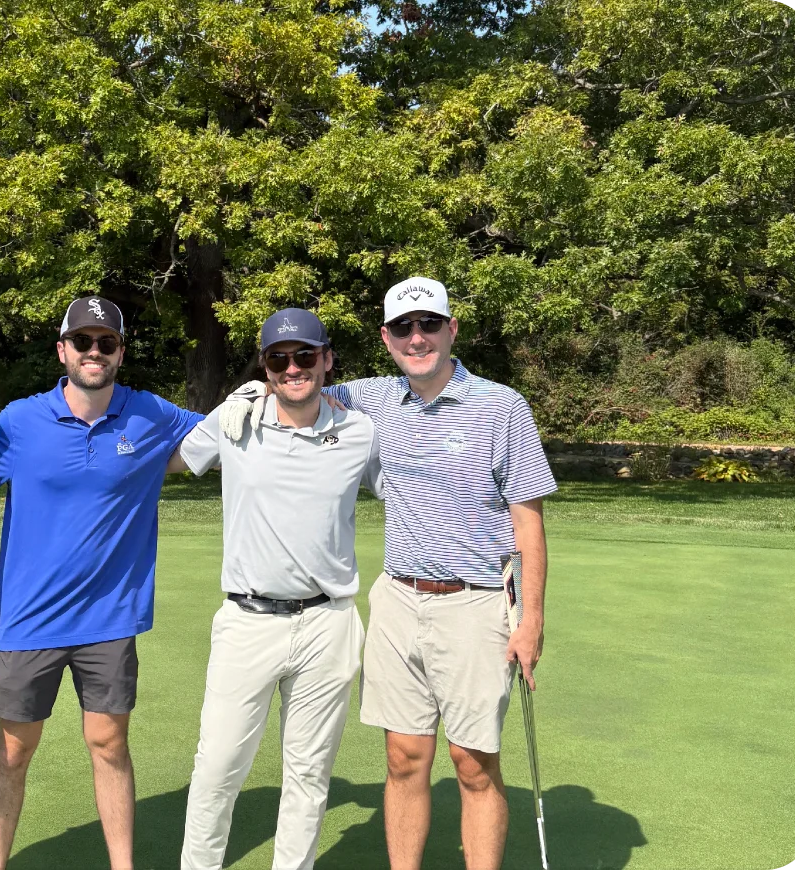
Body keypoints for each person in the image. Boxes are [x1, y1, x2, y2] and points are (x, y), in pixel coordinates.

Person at [222, 277, 556, 870]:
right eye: (403, 327)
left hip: (476, 602)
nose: (417, 337)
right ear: (386, 337)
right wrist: (249, 392)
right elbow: (298, 382)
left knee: (473, 763)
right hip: (399, 600)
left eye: (429, 324)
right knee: (403, 757)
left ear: (452, 329)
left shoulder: (502, 406)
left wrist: (530, 620)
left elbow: (527, 518)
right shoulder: (374, 398)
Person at [0, 297, 202, 870]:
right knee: (15, 750)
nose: (94, 352)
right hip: (31, 620)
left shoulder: (150, 414)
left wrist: (276, 392)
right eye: (83, 342)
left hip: (109, 620)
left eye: (107, 343)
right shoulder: (22, 420)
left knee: (109, 745)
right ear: (62, 350)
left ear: (121, 352)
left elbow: (220, 439)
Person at [177, 309, 379, 870]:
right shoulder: (235, 420)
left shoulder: (358, 431)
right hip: (248, 620)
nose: (293, 368)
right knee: (218, 767)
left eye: (305, 356)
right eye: (279, 358)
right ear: (265, 366)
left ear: (327, 360)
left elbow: (412, 493)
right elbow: (172, 463)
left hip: (328, 623)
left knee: (309, 775)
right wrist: (218, 411)